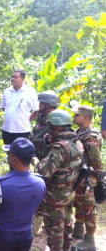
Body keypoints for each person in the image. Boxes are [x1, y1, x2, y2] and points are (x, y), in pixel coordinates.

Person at [0, 138, 46, 251]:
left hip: (3, 236)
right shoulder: (40, 182)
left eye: (9, 154)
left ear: (14, 159)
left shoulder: (0, 185)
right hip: (26, 233)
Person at [36, 109, 81, 251]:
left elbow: (45, 170)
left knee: (55, 230)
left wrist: (36, 161)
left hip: (55, 196)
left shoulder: (59, 148)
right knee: (67, 226)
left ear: (56, 127)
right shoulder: (75, 143)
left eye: (51, 126)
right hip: (68, 192)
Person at [71, 105, 103, 251]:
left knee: (88, 209)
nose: (74, 117)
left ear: (85, 118)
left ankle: (90, 241)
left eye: (76, 115)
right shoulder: (79, 132)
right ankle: (78, 229)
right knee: (78, 203)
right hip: (80, 176)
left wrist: (96, 177)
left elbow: (96, 161)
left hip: (88, 177)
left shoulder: (91, 136)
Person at [0, 69, 39, 144]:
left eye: (16, 77)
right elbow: (3, 107)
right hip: (7, 129)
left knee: (21, 154)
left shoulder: (29, 92)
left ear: (22, 79)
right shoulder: (7, 91)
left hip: (22, 130)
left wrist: (28, 119)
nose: (13, 79)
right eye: (12, 77)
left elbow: (36, 109)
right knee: (8, 152)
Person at [28, 91, 58, 161]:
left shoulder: (57, 118)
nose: (39, 105)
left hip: (49, 157)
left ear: (49, 105)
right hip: (37, 154)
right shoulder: (41, 115)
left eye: (42, 103)